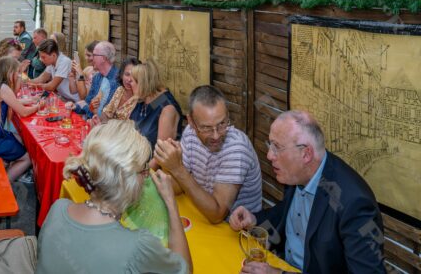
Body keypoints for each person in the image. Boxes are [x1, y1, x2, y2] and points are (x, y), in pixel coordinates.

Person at [228, 111, 384, 274]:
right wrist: (254, 219)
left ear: (306, 154)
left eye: (277, 147)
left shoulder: (354, 202)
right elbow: (287, 213)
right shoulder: (297, 174)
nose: (269, 155)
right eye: (270, 145)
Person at [36, 120, 191, 273]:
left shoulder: (58, 207)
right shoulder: (137, 246)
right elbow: (185, 270)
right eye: (144, 169)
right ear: (126, 181)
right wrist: (171, 203)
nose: (147, 176)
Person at [149, 86, 262, 225]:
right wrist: (168, 165)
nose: (216, 135)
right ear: (191, 122)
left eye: (222, 123)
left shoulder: (236, 148)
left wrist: (178, 169)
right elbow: (178, 187)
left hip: (237, 232)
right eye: (206, 128)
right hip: (201, 214)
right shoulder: (191, 133)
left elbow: (217, 214)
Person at [127, 62, 182, 147]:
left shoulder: (167, 109)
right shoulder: (145, 98)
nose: (129, 84)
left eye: (131, 81)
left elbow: (161, 154)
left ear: (142, 83)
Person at [25, 39, 80, 105]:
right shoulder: (51, 62)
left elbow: (51, 86)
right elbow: (41, 78)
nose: (41, 60)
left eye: (43, 57)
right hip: (64, 98)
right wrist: (26, 82)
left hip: (74, 101)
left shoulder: (64, 62)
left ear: (53, 55)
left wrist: (36, 85)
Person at [76, 41, 120, 119]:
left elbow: (103, 114)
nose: (91, 58)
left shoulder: (117, 81)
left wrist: (88, 107)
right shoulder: (97, 77)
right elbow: (88, 103)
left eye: (94, 55)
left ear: (103, 58)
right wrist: (75, 106)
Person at [97, 58, 144, 124]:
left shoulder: (141, 98)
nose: (129, 79)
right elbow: (106, 113)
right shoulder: (120, 90)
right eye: (127, 74)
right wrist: (100, 120)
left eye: (134, 76)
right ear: (121, 75)